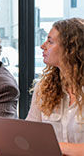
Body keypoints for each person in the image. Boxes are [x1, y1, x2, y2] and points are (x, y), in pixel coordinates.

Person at [26, 18, 84, 156]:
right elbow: (30, 133)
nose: (42, 46)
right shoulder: (43, 88)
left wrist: (58, 147)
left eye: (50, 42)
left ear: (70, 49)